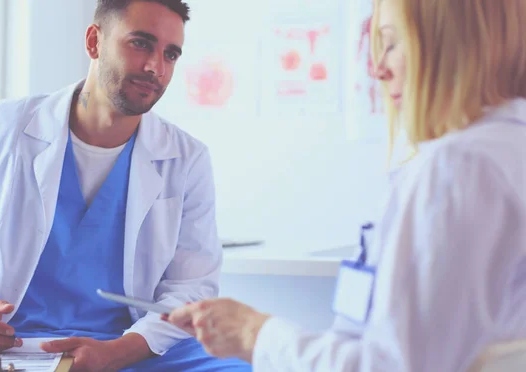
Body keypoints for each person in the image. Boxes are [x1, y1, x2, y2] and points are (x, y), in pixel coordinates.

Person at [164, 0, 526, 371]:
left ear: (451, 43)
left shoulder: (456, 168)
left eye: (391, 42)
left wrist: (253, 334)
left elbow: (393, 366)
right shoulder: (506, 151)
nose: (377, 69)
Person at [0, 0, 251, 371]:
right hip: (21, 341)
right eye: (140, 43)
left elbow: (192, 286)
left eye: (171, 54)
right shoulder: (1, 129)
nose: (155, 67)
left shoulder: (186, 158)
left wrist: (122, 350)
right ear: (94, 41)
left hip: (131, 343)